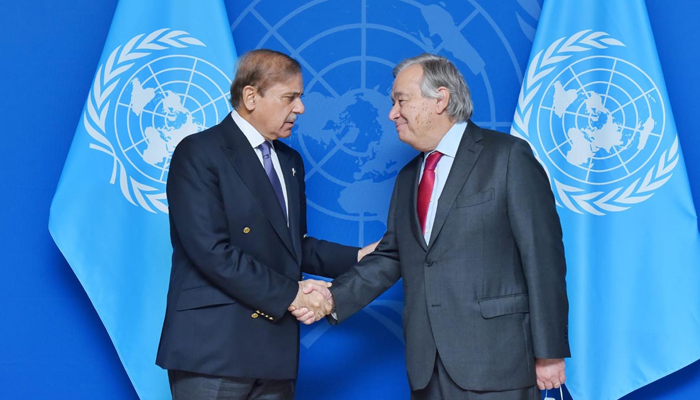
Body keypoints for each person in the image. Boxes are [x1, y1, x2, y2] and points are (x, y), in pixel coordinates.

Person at [294, 53, 570, 400]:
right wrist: (332, 298)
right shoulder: (409, 177)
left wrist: (549, 353)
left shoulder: (508, 157)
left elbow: (542, 258)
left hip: (497, 363)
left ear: (440, 99)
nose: (393, 113)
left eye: (401, 101)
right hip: (427, 367)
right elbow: (390, 256)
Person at [156, 49, 376, 400]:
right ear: (250, 97)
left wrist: (360, 256)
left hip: (274, 352)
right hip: (213, 350)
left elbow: (291, 246)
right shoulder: (198, 152)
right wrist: (293, 293)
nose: (300, 108)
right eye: (290, 97)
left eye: (300, 98)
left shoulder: (290, 161)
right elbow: (211, 252)